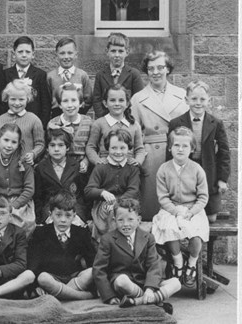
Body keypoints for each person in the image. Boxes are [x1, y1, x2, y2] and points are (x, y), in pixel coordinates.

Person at [131, 50, 189, 221]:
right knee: (152, 204)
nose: (155, 72)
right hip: (151, 155)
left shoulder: (181, 95)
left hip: (178, 153)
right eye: (150, 68)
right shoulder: (138, 98)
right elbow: (133, 134)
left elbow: (189, 128)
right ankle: (154, 245)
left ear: (168, 69)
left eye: (160, 67)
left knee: (178, 199)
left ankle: (175, 246)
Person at [93, 198, 180, 313]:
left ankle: (138, 301)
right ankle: (154, 300)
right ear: (114, 220)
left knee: (176, 283)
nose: (126, 224)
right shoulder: (108, 239)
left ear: (138, 220)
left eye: (130, 220)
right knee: (121, 281)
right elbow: (99, 269)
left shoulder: (148, 238)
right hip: (124, 284)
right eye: (120, 220)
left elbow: (153, 265)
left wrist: (149, 288)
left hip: (144, 282)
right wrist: (109, 296)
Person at [152, 127, 209, 288]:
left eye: (185, 146)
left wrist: (192, 212)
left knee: (196, 231)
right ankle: (178, 261)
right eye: (176, 145)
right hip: (172, 208)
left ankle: (192, 262)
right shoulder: (164, 169)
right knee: (169, 228)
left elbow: (203, 197)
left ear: (192, 149)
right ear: (170, 148)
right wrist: (174, 210)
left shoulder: (197, 169)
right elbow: (163, 197)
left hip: (192, 209)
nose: (180, 149)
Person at [168, 81, 231, 223]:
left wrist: (222, 179)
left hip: (208, 173)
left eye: (202, 99)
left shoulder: (216, 123)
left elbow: (224, 153)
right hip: (185, 173)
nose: (198, 103)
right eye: (194, 99)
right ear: (186, 100)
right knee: (184, 215)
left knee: (211, 219)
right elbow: (169, 153)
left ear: (209, 101)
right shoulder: (176, 123)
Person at [29, 191, 96, 300]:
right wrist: (33, 287)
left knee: (92, 272)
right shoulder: (41, 232)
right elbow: (33, 263)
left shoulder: (81, 233)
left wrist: (93, 282)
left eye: (68, 215)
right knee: (43, 278)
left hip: (74, 278)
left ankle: (58, 295)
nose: (63, 220)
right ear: (50, 214)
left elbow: (92, 260)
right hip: (52, 278)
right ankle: (81, 296)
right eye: (58, 215)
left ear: (74, 215)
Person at [84, 129, 140, 240]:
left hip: (126, 202)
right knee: (111, 211)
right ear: (107, 148)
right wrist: (102, 192)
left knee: (121, 212)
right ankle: (111, 243)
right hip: (104, 204)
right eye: (114, 148)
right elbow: (88, 190)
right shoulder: (101, 167)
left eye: (122, 148)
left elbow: (133, 190)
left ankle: (127, 243)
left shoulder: (132, 168)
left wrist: (118, 203)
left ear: (129, 148)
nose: (118, 152)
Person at [0, 123, 35, 238]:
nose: (9, 145)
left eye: (13, 142)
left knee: (18, 226)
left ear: (18, 144)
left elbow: (29, 189)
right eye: (6, 140)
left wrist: (14, 205)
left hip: (19, 204)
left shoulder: (24, 162)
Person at [34, 128, 87, 225]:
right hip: (50, 210)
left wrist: (81, 215)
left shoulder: (76, 167)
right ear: (47, 148)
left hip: (72, 209)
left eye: (61, 145)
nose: (56, 149)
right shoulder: (41, 168)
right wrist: (41, 218)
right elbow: (39, 197)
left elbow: (82, 196)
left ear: (67, 147)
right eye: (52, 145)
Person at [86, 84, 145, 167]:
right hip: (105, 169)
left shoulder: (134, 125)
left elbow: (140, 149)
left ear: (127, 103)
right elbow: (91, 147)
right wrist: (97, 161)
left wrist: (137, 161)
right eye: (112, 100)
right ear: (105, 103)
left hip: (129, 169)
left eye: (121, 100)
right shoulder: (99, 124)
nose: (117, 104)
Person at [0, 79, 45, 166]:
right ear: (7, 98)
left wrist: (33, 154)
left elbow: (40, 144)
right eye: (13, 99)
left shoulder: (34, 120)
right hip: (3, 169)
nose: (17, 103)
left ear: (28, 98)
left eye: (21, 99)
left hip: (25, 168)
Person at [92, 32, 144, 119]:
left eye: (120, 51)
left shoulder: (134, 74)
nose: (117, 55)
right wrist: (105, 119)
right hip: (106, 120)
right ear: (107, 52)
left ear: (127, 52)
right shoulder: (100, 75)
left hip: (127, 120)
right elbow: (96, 100)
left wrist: (128, 118)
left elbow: (139, 100)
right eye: (113, 51)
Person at [3, 36, 50, 126]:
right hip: (10, 124)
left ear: (33, 54)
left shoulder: (40, 75)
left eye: (28, 52)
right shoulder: (5, 74)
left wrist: (42, 125)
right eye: (20, 52)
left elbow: (45, 105)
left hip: (33, 123)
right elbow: (2, 103)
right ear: (14, 54)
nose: (24, 55)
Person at [47, 82, 93, 175]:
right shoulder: (53, 123)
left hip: (82, 167)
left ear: (80, 103)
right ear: (60, 104)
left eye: (73, 100)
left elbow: (92, 147)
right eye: (65, 101)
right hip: (60, 167)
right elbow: (49, 148)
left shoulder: (89, 122)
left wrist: (86, 161)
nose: (70, 105)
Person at [47, 37, 93, 118]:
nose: (66, 56)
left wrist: (80, 111)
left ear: (76, 55)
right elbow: (47, 100)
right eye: (62, 53)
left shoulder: (82, 75)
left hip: (78, 114)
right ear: (56, 55)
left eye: (70, 53)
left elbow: (88, 99)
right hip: (56, 115)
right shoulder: (50, 77)